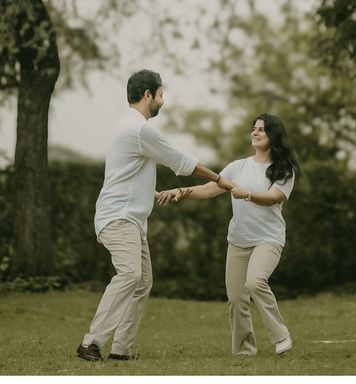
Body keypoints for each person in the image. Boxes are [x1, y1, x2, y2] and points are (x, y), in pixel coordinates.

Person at [77, 69, 231, 362]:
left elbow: (129, 175)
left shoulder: (127, 126)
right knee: (130, 274)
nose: (163, 101)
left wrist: (154, 194)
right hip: (118, 218)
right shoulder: (140, 128)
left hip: (130, 219)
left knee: (143, 281)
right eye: (160, 95)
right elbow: (181, 161)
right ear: (147, 95)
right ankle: (90, 342)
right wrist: (220, 179)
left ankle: (121, 349)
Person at [157, 113, 300, 357]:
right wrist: (180, 190)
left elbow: (274, 197)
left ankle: (281, 335)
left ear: (273, 135)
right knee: (236, 299)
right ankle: (244, 351)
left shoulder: (283, 170)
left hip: (268, 239)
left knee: (255, 281)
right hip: (238, 241)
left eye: (262, 130)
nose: (255, 133)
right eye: (254, 128)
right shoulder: (238, 167)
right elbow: (208, 188)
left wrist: (248, 194)